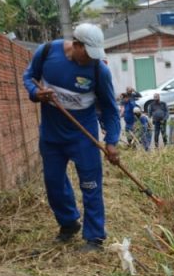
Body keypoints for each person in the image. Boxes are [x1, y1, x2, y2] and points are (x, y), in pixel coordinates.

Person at [22, 22, 120, 252]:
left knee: (90, 185)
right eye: (88, 54)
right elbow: (28, 77)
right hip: (51, 135)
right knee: (53, 182)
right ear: (76, 45)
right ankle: (68, 224)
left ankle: (94, 237)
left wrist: (112, 142)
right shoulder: (46, 53)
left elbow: (110, 109)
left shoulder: (98, 70)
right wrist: (36, 93)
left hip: (83, 137)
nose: (92, 59)